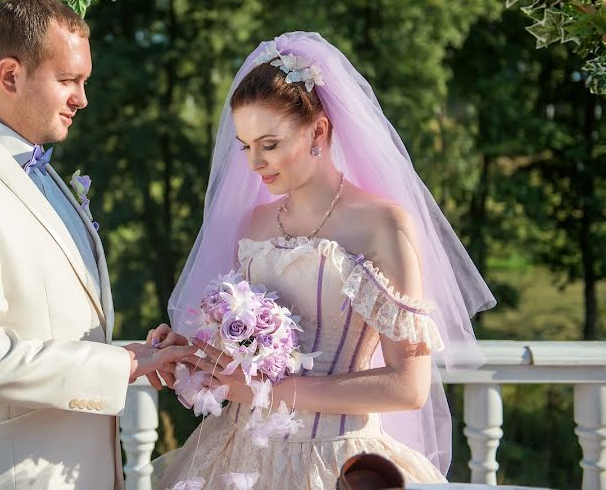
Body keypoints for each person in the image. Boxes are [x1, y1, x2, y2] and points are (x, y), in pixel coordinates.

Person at [150, 32, 496, 489]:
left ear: (318, 131)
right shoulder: (253, 224)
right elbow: (245, 360)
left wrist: (268, 394)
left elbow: (408, 387)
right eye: (246, 145)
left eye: (269, 144)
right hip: (235, 455)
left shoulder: (382, 225)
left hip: (336, 459)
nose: (254, 162)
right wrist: (189, 352)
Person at [0, 0, 194, 490]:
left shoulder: (47, 176)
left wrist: (140, 355)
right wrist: (118, 365)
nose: (82, 99)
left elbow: (47, 329)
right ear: (10, 76)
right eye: (67, 81)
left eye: (83, 82)